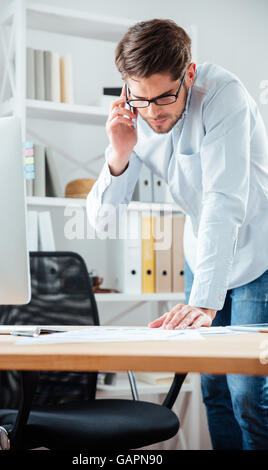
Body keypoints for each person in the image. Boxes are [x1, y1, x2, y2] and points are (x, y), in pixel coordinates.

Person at [86, 19, 268, 450]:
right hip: (202, 249)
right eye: (141, 98)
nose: (153, 112)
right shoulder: (136, 109)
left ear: (188, 74)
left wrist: (204, 302)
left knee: (248, 394)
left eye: (164, 97)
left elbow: (224, 200)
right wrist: (119, 152)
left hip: (256, 252)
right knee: (213, 391)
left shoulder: (225, 95)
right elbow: (103, 223)